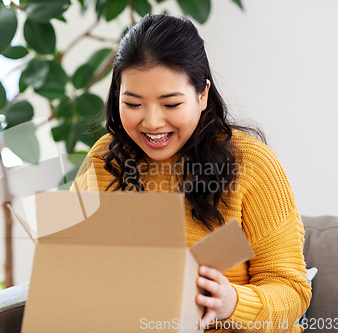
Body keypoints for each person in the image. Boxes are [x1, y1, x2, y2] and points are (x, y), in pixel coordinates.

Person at [70, 13, 311, 333]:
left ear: (202, 95)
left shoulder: (251, 164)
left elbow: (292, 291)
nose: (152, 122)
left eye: (170, 104)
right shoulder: (105, 160)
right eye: (133, 103)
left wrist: (231, 303)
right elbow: (73, 267)